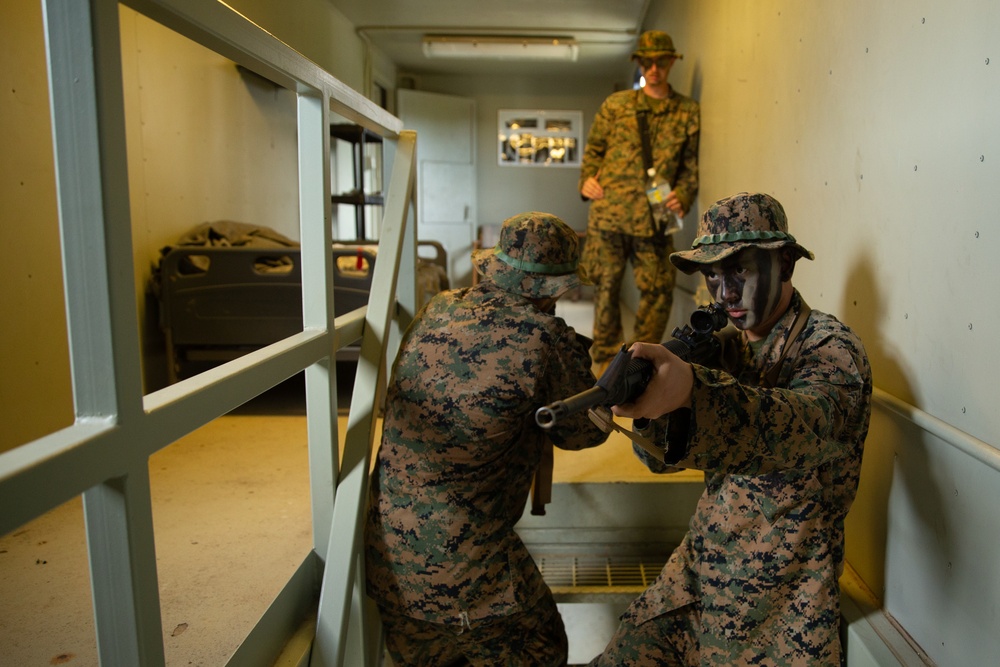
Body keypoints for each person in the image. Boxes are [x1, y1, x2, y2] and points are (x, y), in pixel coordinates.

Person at [589, 192, 873, 666]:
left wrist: (692, 392)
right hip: (701, 567)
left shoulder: (830, 347)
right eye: (713, 276)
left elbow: (798, 425)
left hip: (781, 604)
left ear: (785, 264)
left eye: (740, 271)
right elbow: (660, 461)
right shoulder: (730, 345)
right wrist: (650, 406)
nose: (724, 293)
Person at [365, 211, 610, 667]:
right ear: (555, 288)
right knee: (545, 649)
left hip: (387, 561)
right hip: (466, 577)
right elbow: (585, 433)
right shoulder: (542, 338)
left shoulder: (436, 307)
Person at [579, 30, 700, 370]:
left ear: (672, 62)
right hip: (609, 212)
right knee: (604, 286)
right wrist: (586, 179)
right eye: (647, 62)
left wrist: (684, 196)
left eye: (661, 61)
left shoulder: (687, 111)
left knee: (660, 289)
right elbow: (594, 150)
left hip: (655, 214)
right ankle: (603, 360)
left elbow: (690, 167)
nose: (654, 68)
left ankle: (640, 359)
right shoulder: (617, 104)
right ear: (639, 63)